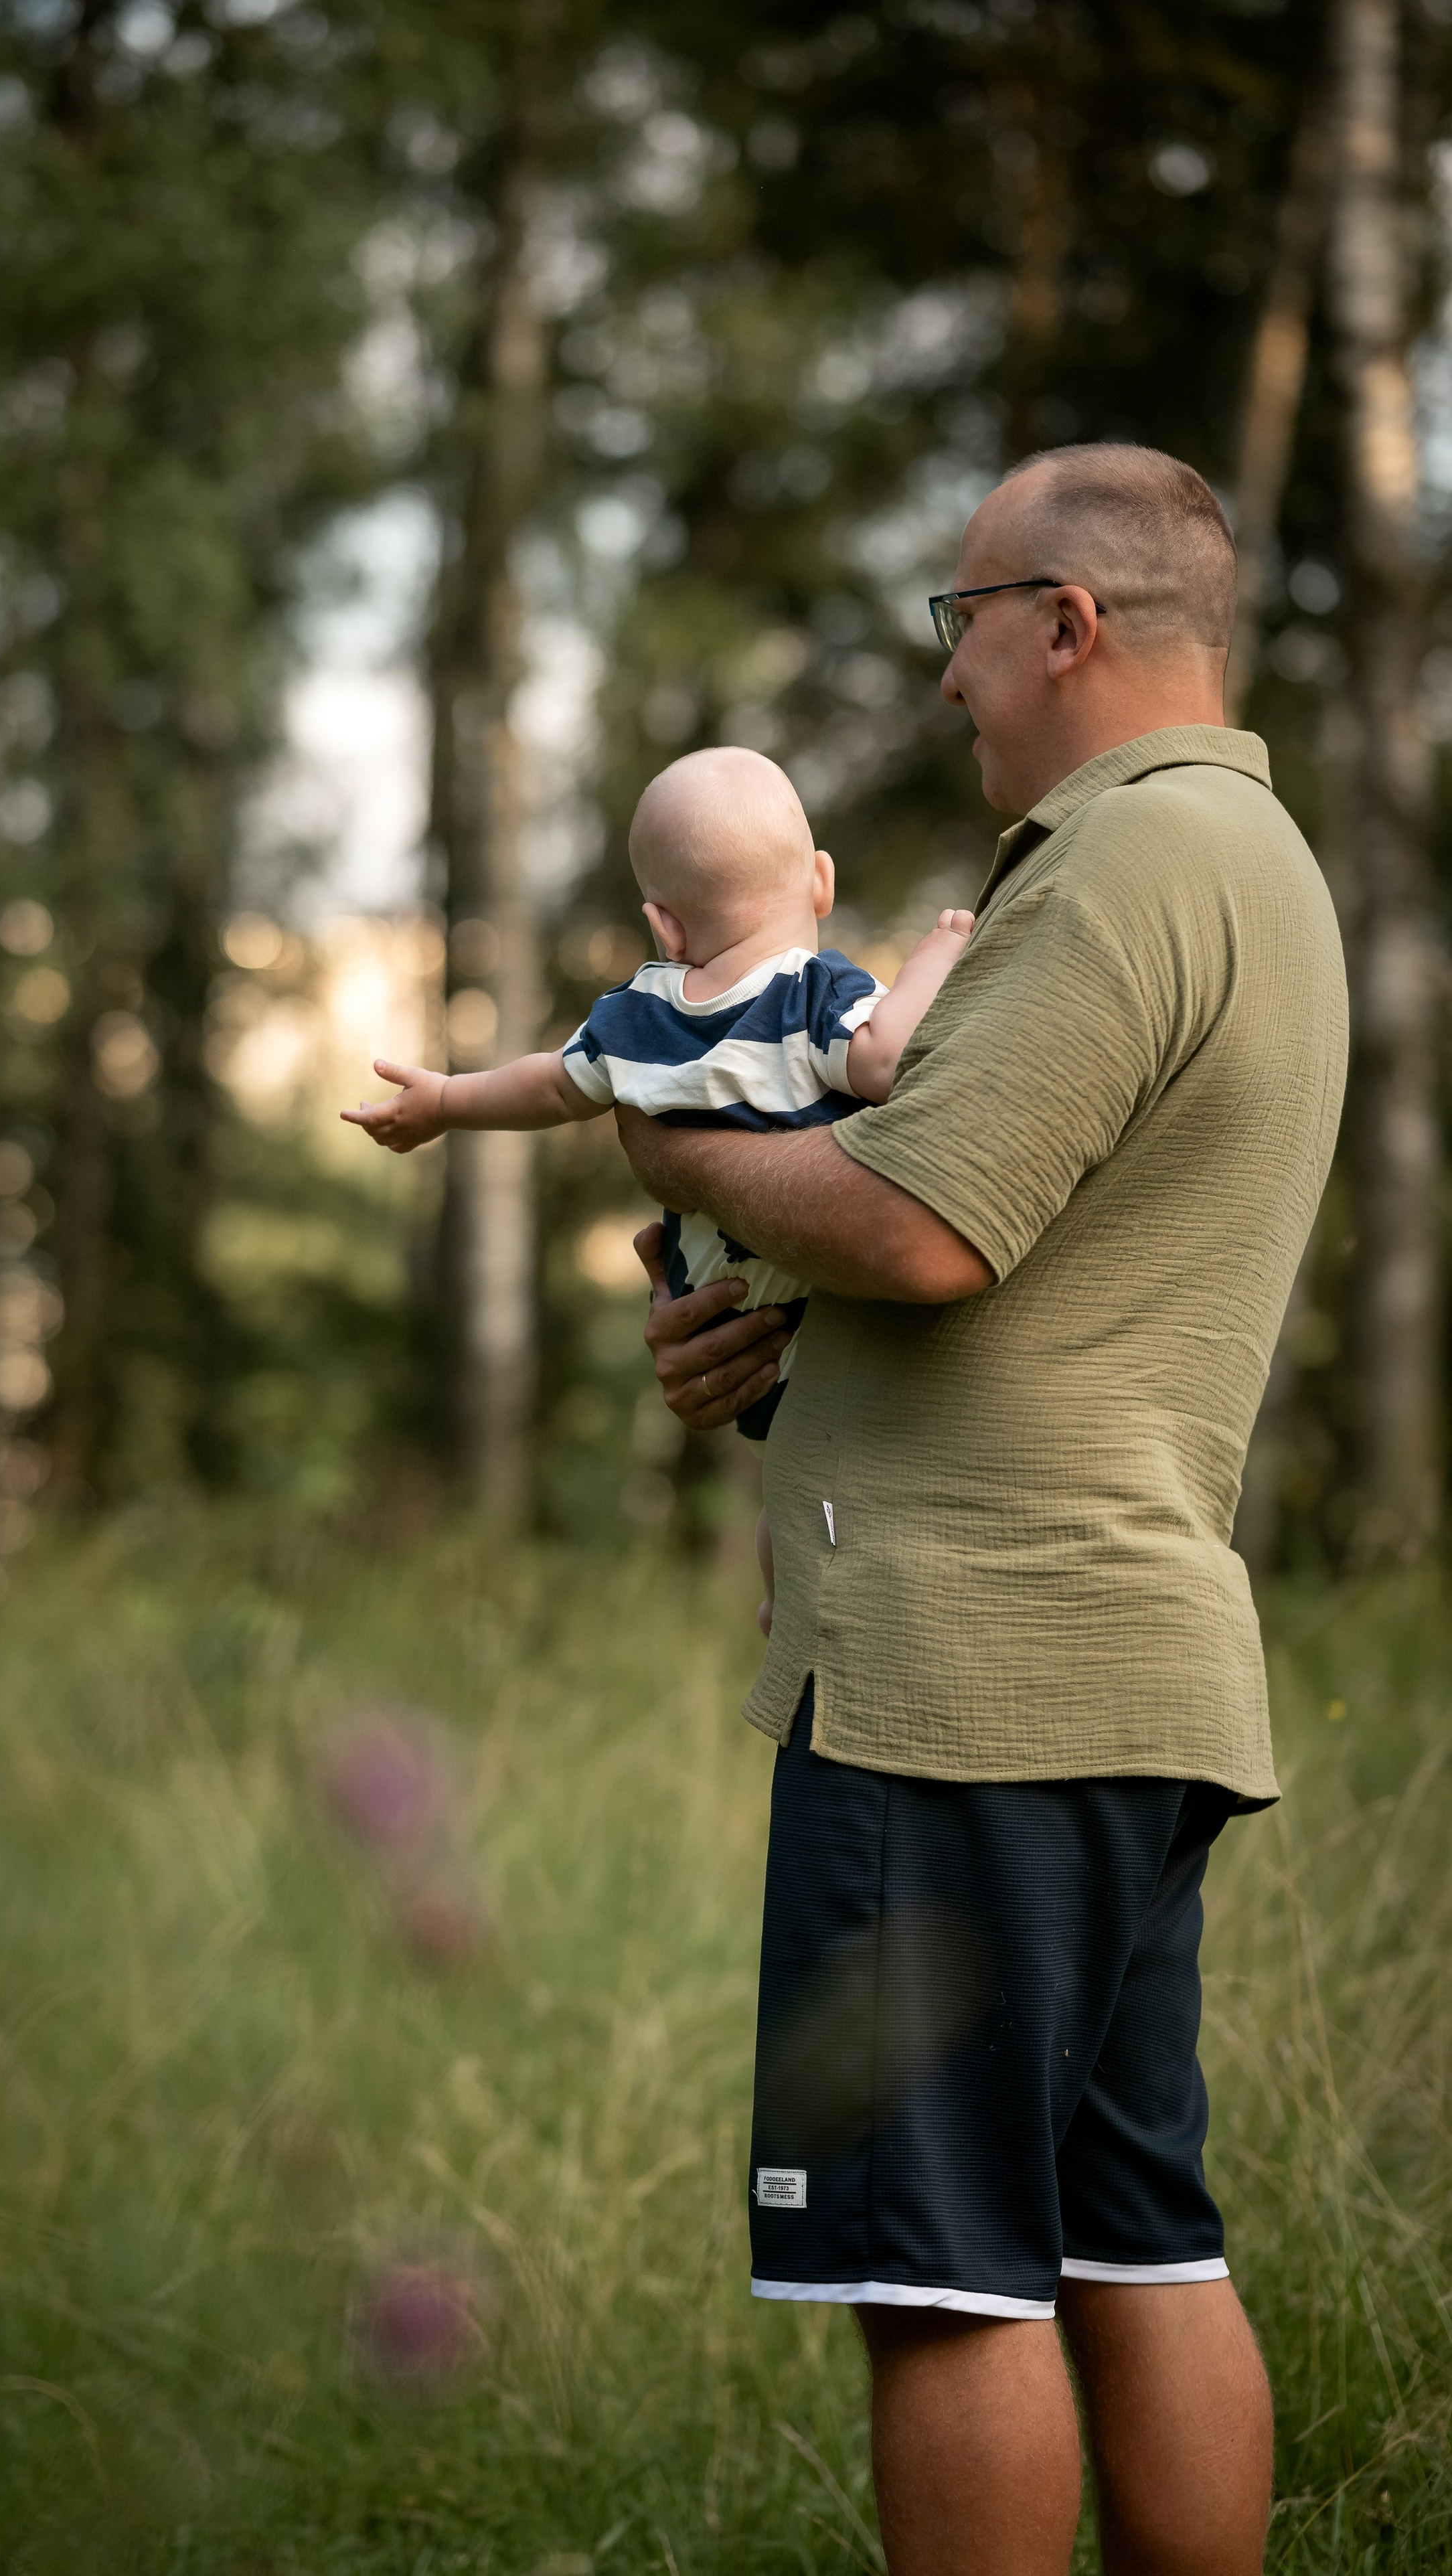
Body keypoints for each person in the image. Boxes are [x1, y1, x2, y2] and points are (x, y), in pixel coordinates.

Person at [618, 442, 1348, 2576]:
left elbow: (922, 1223)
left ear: (1066, 620)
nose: (946, 685)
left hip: (964, 1683)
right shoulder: (1247, 861)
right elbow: (1022, 1289)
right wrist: (763, 1366)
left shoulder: (1125, 865)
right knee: (1136, 2238)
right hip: (1109, 1667)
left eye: (960, 625)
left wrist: (678, 1153)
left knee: (939, 2277)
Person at [343, 748, 973, 1590]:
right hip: (826, 1311)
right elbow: (886, 1059)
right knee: (845, 1476)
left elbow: (551, 1086)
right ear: (819, 882)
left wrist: (449, 1100)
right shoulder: (812, 995)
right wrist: (940, 951)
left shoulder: (636, 1017)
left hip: (723, 1324)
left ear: (665, 925)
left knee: (787, 1482)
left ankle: (778, 1609)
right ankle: (796, 1606)